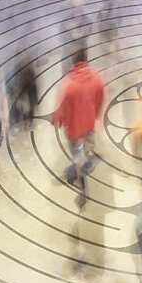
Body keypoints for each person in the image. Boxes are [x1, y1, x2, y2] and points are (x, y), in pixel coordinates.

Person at [54, 51, 108, 197]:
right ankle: (86, 155)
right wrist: (97, 114)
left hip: (74, 128)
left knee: (77, 154)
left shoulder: (69, 84)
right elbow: (101, 94)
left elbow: (63, 107)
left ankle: (80, 180)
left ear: (73, 63)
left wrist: (58, 119)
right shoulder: (97, 77)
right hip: (89, 122)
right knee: (88, 143)